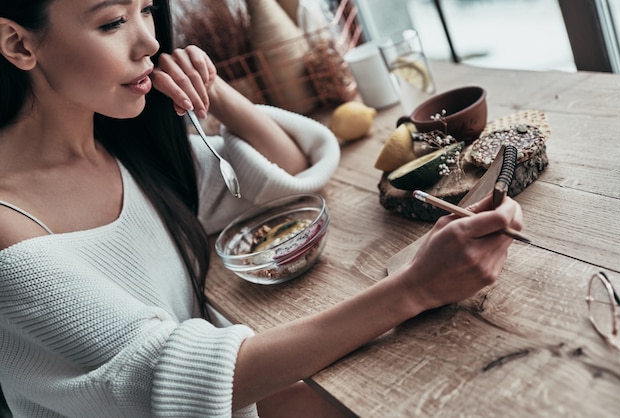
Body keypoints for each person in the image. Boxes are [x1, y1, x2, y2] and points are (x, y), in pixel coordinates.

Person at [0, 0, 524, 417]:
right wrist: (415, 288)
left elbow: (286, 182)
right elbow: (172, 380)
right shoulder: (10, 232)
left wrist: (218, 95)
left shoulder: (122, 151)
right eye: (113, 20)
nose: (151, 41)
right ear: (17, 43)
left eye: (146, 9)